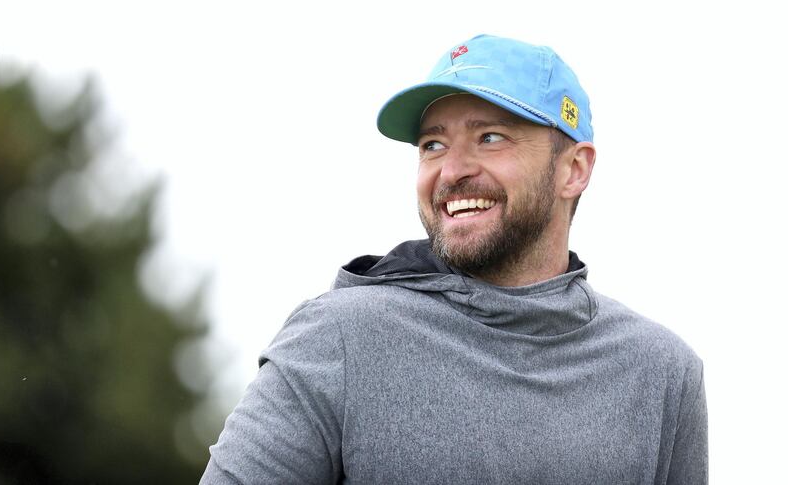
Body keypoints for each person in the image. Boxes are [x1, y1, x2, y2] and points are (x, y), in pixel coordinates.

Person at [200, 34, 707, 484]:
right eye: (433, 145)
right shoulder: (338, 338)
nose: (451, 171)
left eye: (489, 137)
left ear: (573, 169)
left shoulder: (662, 372)